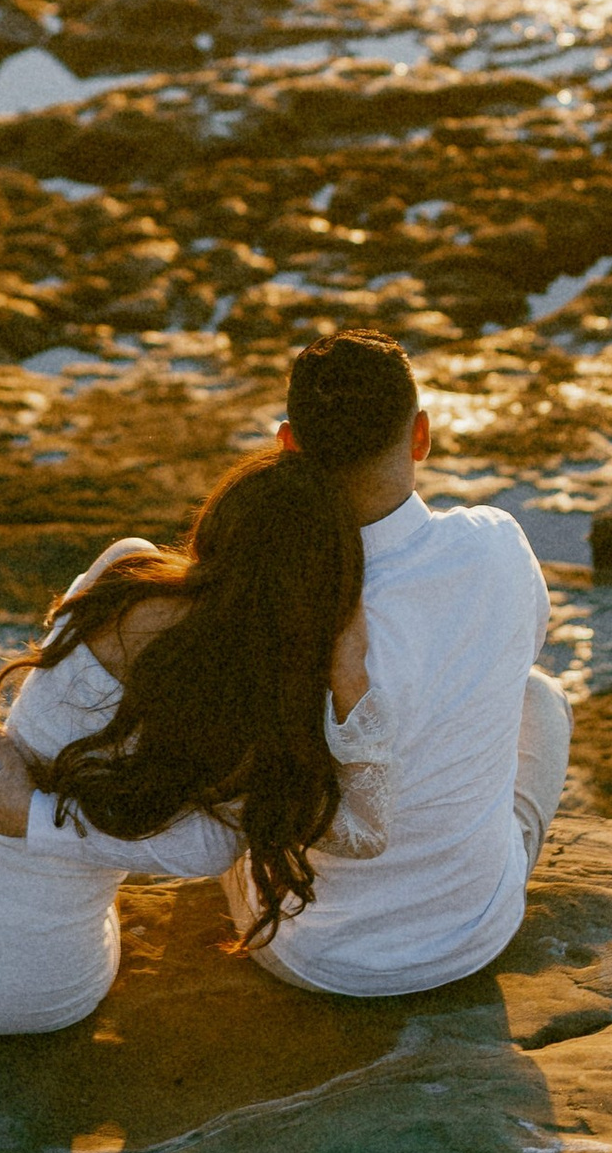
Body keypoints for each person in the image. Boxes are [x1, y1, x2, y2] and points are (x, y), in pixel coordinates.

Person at [0, 447, 359, 1034]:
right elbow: (210, 850)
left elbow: (49, 705)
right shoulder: (254, 692)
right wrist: (33, 818)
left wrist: (28, 809)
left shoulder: (127, 566)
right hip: (11, 991)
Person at [226, 330, 569, 999]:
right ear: (421, 435)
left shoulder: (274, 591)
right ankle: (469, 869)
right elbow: (517, 655)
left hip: (311, 954)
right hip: (474, 934)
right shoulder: (498, 545)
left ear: (287, 444)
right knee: (542, 698)